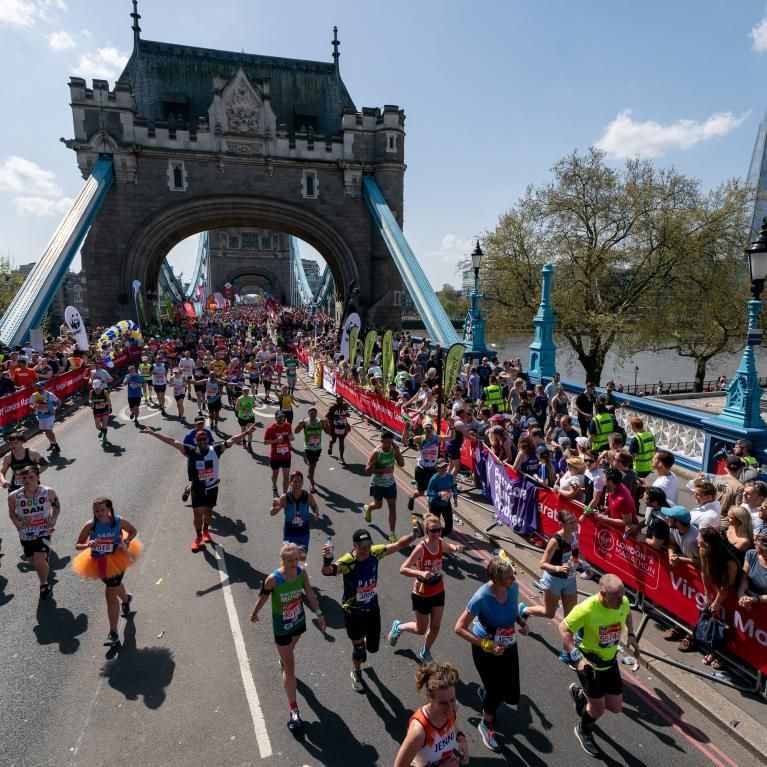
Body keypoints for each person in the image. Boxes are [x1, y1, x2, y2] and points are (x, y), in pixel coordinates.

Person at [321, 526, 418, 692]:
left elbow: (397, 546)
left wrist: (414, 535)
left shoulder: (375, 553)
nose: (366, 550)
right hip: (353, 612)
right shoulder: (348, 562)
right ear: (354, 545)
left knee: (373, 648)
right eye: (362, 547)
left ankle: (361, 643)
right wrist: (327, 560)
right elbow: (327, 572)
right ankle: (356, 672)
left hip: (373, 609)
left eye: (368, 546)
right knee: (360, 651)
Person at [454, 554, 528, 753]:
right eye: (510, 577)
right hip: (486, 650)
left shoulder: (513, 588)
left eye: (513, 575)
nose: (514, 579)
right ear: (496, 580)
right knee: (496, 691)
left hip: (509, 646)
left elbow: (513, 610)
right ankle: (485, 725)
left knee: (512, 695)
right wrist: (487, 644)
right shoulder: (481, 597)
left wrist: (521, 622)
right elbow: (459, 628)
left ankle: (487, 694)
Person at [141, 423, 255, 551]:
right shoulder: (191, 451)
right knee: (197, 515)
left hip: (212, 488)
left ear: (208, 439)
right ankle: (198, 536)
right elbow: (173, 442)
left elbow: (232, 440)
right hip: (197, 489)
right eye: (199, 440)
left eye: (204, 439)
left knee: (208, 512)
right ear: (196, 441)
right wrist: (153, 433)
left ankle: (206, 530)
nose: (202, 441)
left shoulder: (216, 449)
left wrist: (246, 433)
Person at [561, 573, 639, 757]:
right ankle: (583, 730)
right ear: (602, 594)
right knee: (598, 709)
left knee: (615, 707)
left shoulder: (623, 602)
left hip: (610, 663)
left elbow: (627, 613)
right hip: (589, 664)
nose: (622, 601)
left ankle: (581, 695)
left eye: (623, 595)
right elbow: (563, 628)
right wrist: (576, 655)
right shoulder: (587, 609)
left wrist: (632, 634)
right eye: (616, 597)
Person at [249, 542, 325, 731]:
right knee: (290, 667)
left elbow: (309, 592)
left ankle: (284, 659)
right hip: (282, 626)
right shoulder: (273, 579)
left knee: (289, 653)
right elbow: (264, 597)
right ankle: (294, 711)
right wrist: (254, 612)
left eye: (296, 559)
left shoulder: (301, 573)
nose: (294, 563)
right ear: (282, 560)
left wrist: (319, 613)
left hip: (298, 621)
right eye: (290, 560)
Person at [389, 512, 464, 662]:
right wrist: (421, 573)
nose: (436, 533)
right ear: (426, 531)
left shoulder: (440, 542)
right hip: (421, 594)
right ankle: (399, 627)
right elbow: (403, 568)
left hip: (438, 590)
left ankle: (425, 651)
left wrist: (456, 548)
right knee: (420, 629)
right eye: (433, 531)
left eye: (439, 530)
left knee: (435, 627)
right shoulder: (421, 549)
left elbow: (448, 548)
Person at [72, 497, 141, 646]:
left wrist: (126, 542)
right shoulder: (90, 525)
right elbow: (77, 545)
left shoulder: (118, 521)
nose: (99, 513)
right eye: (96, 511)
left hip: (117, 559)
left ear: (109, 509)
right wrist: (87, 545)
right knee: (114, 586)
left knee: (110, 594)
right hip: (98, 562)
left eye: (102, 510)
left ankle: (113, 632)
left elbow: (133, 531)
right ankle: (126, 600)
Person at [518, 510, 580, 664]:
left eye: (575, 521)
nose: (575, 524)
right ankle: (524, 610)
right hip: (554, 581)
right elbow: (542, 563)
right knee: (549, 613)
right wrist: (558, 568)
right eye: (571, 522)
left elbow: (577, 554)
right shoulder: (555, 540)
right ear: (562, 524)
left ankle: (566, 651)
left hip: (571, 580)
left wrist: (584, 565)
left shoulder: (574, 536)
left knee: (570, 619)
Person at [393, 662, 469, 767]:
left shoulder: (452, 708)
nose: (449, 708)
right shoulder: (419, 731)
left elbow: (452, 725)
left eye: (452, 699)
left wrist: (461, 739)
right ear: (430, 697)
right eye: (443, 703)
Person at [8, 465, 60, 599]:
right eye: (24, 477)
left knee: (39, 559)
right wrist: (17, 522)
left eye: (31, 477)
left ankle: (44, 584)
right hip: (25, 533)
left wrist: (53, 519)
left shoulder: (48, 492)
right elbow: (12, 513)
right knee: (32, 562)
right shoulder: (14, 496)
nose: (27, 480)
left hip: (44, 529)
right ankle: (44, 565)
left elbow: (56, 507)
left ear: (38, 477)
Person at [363, 430, 406, 543]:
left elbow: (402, 464)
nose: (388, 445)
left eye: (390, 442)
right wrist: (382, 470)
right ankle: (368, 508)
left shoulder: (393, 450)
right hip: (378, 484)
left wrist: (397, 451)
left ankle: (392, 533)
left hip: (390, 484)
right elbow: (367, 470)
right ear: (381, 441)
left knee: (392, 507)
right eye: (386, 442)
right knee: (378, 505)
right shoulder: (377, 453)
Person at [270, 470, 320, 559]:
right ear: (290, 482)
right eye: (295, 482)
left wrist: (316, 513)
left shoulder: (307, 495)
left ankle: (296, 571)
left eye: (300, 482)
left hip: (303, 533)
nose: (297, 484)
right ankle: (289, 572)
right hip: (289, 533)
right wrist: (274, 507)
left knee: (302, 557)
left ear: (303, 482)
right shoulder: (285, 497)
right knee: (287, 557)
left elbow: (314, 505)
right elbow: (272, 513)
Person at [592, 468, 638, 534]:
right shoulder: (615, 487)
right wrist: (607, 509)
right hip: (616, 529)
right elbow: (616, 506)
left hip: (626, 534)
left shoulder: (622, 499)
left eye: (604, 478)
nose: (603, 479)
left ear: (610, 481)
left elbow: (627, 522)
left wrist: (605, 519)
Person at [424, 460, 458, 537]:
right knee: (434, 526)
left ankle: (440, 537)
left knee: (449, 528)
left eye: (445, 466)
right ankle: (434, 538)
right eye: (442, 467)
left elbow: (453, 486)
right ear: (437, 468)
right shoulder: (434, 479)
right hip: (435, 505)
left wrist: (455, 497)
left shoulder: (449, 476)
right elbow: (428, 492)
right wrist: (439, 494)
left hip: (446, 504)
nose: (444, 468)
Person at [265, 410, 294, 497]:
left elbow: (291, 435)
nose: (281, 419)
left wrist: (291, 437)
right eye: (279, 417)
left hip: (286, 455)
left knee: (286, 476)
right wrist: (276, 440)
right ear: (275, 418)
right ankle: (274, 487)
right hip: (275, 456)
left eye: (283, 417)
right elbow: (265, 442)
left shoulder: (288, 426)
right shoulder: (270, 428)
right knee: (275, 474)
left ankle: (284, 494)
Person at [738, 530, 767, 609]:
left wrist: (756, 599)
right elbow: (745, 577)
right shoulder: (751, 554)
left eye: (757, 541)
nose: (754, 543)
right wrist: (741, 594)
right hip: (747, 598)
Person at [29, 380, 60, 452]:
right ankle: (52, 443)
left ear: (43, 387)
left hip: (49, 415)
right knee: (46, 431)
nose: (38, 388)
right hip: (40, 415)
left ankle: (55, 444)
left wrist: (55, 409)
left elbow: (58, 402)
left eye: (39, 386)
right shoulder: (34, 395)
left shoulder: (50, 395)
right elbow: (30, 405)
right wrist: (33, 406)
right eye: (37, 386)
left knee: (49, 430)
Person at [325, 396, 351, 465]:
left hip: (343, 427)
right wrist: (335, 417)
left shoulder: (345, 406)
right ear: (336, 401)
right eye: (339, 400)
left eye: (341, 400)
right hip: (334, 427)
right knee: (334, 440)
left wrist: (347, 415)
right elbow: (327, 416)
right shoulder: (333, 407)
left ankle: (341, 458)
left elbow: (346, 414)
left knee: (341, 442)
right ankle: (331, 444)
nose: (340, 401)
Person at [89, 379, 112, 445]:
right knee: (97, 426)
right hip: (96, 411)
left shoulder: (105, 392)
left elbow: (109, 402)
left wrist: (104, 403)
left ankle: (104, 437)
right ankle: (102, 431)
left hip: (104, 410)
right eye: (95, 387)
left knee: (104, 425)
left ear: (100, 385)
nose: (96, 388)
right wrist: (91, 403)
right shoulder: (91, 392)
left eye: (97, 387)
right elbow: (90, 400)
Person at [234, 385, 256, 450]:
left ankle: (249, 444)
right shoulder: (240, 399)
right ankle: (244, 442)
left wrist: (254, 405)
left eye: (247, 390)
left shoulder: (251, 398)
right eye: (244, 391)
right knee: (243, 431)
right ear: (242, 392)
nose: (246, 392)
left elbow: (253, 405)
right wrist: (243, 409)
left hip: (250, 417)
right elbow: (236, 408)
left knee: (250, 431)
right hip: (242, 418)